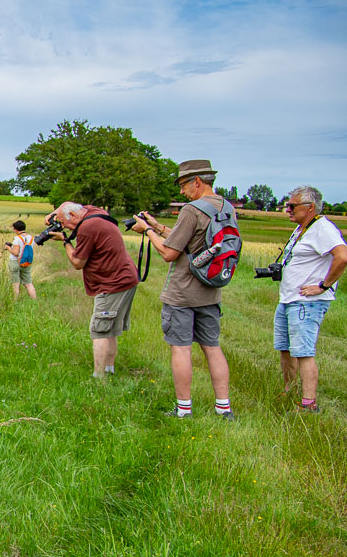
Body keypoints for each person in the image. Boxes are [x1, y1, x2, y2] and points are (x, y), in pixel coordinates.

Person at [132, 160, 235, 420]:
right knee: (212, 347)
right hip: (210, 289)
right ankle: (224, 408)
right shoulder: (226, 207)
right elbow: (191, 240)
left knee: (181, 348)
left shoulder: (191, 210)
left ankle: (184, 409)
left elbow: (169, 253)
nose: (181, 191)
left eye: (183, 185)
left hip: (183, 292)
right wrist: (158, 226)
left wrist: (147, 230)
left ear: (197, 182)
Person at [273, 185, 347, 413]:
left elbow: (342, 256)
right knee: (286, 349)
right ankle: (290, 389)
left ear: (310, 207)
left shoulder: (323, 228)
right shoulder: (302, 229)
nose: (288, 210)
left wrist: (323, 286)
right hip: (289, 299)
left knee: (303, 352)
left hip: (306, 302)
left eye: (292, 206)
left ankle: (308, 403)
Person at [45, 201, 140, 378]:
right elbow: (75, 206)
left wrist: (65, 241)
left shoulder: (87, 227)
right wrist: (54, 214)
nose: (64, 227)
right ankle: (109, 369)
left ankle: (99, 378)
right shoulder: (94, 213)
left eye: (64, 223)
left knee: (100, 331)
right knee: (110, 330)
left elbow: (77, 262)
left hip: (112, 283)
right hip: (126, 278)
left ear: (73, 215)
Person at [5, 220, 37, 299]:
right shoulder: (31, 238)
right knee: (28, 283)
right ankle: (35, 300)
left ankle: (15, 301)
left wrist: (8, 248)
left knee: (15, 284)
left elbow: (16, 253)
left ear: (16, 229)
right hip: (26, 262)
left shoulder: (17, 239)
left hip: (15, 262)